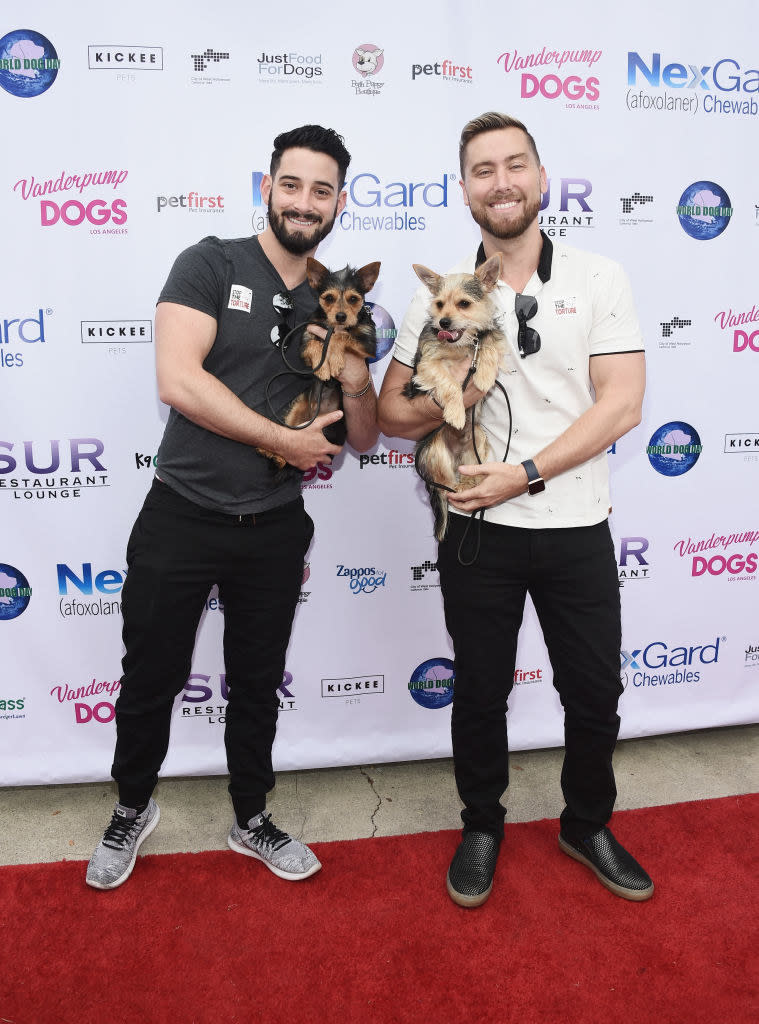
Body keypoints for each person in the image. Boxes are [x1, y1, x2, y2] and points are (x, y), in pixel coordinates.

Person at [86, 125, 379, 890]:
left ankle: (250, 816)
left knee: (256, 680)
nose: (304, 202)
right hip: (181, 513)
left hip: (275, 528)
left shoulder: (336, 295)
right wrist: (280, 444)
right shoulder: (210, 263)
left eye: (322, 191)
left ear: (339, 203)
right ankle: (131, 806)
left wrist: (352, 374)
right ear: (267, 187)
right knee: (150, 674)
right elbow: (178, 382)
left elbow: (365, 435)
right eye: (292, 184)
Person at [377, 112, 651, 907]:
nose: (501, 182)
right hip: (474, 531)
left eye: (514, 164)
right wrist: (458, 388)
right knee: (481, 689)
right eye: (482, 170)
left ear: (539, 175)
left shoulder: (599, 277)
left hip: (573, 524)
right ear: (463, 189)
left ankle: (585, 822)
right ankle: (482, 826)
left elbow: (622, 404)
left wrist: (523, 474)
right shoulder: (441, 297)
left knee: (594, 691)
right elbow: (395, 415)